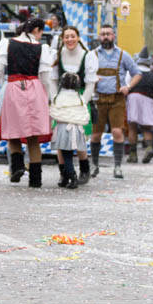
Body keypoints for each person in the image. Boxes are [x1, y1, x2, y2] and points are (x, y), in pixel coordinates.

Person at [0, 17, 53, 187]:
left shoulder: (7, 43)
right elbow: (46, 78)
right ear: (37, 30)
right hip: (35, 87)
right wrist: (47, 99)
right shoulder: (43, 48)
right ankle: (35, 179)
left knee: (13, 132)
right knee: (33, 137)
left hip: (13, 86)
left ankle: (17, 166)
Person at [89, 25, 140, 179]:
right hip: (98, 99)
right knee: (96, 135)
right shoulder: (92, 55)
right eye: (102, 34)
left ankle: (117, 166)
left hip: (117, 99)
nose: (105, 37)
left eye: (108, 34)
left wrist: (128, 86)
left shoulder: (123, 55)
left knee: (117, 132)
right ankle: (94, 165)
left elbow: (137, 73)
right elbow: (86, 73)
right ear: (99, 37)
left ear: (113, 36)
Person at [49, 25, 98, 185]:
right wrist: (55, 99)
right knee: (61, 137)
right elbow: (53, 80)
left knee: (81, 137)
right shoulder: (58, 55)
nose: (70, 39)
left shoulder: (87, 56)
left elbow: (91, 83)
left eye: (72, 36)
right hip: (63, 100)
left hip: (80, 99)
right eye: (66, 36)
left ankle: (84, 169)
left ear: (77, 38)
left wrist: (83, 101)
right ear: (62, 39)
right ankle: (65, 173)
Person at [50, 72, 90, 189]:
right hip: (77, 127)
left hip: (63, 127)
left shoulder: (58, 98)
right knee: (72, 152)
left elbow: (53, 112)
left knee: (65, 153)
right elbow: (85, 114)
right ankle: (68, 177)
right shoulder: (80, 99)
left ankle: (71, 176)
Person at [125, 47, 153, 164]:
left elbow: (127, 86)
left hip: (133, 97)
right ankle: (149, 148)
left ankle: (133, 154)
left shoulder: (132, 72)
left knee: (132, 127)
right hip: (148, 99)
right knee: (146, 127)